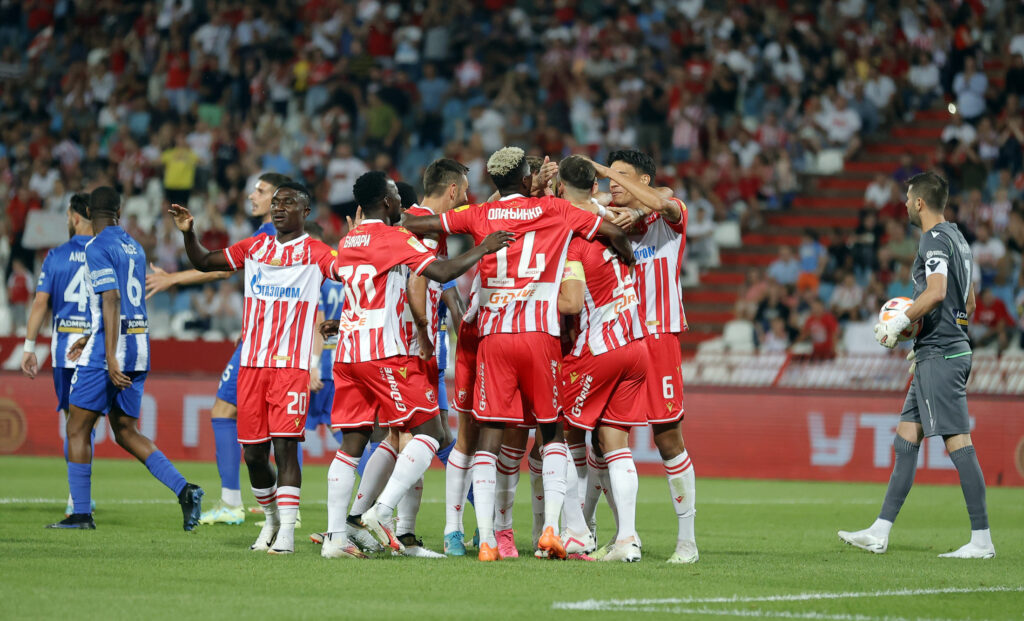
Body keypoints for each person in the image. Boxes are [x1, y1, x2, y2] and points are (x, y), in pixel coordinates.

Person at [404, 146, 633, 562]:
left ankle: (487, 539)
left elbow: (420, 222)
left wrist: (388, 227)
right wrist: (628, 256)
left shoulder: (480, 214)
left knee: (488, 438)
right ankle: (551, 530)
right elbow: (612, 232)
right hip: (539, 337)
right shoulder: (555, 210)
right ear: (528, 178)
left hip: (493, 339)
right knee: (551, 434)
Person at [321, 171, 512, 560]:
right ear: (386, 202)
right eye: (395, 195)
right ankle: (381, 514)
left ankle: (337, 536)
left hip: (347, 353)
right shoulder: (395, 237)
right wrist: (483, 248)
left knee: (354, 443)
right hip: (386, 352)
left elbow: (358, 286)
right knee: (430, 434)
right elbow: (438, 273)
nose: (402, 203)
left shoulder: (348, 240)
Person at [170, 181, 335, 554]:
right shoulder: (255, 246)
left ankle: (287, 533)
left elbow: (347, 272)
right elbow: (204, 261)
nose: (278, 207)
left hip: (290, 367)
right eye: (275, 202)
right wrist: (189, 233)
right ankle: (272, 521)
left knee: (285, 448)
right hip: (251, 365)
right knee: (254, 454)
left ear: (305, 212)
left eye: (288, 202)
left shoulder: (316, 252)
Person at [840, 172, 995, 559]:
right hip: (938, 351)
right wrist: (926, 337)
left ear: (921, 202)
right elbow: (969, 304)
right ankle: (880, 531)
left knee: (958, 443)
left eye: (909, 198)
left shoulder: (933, 239)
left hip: (941, 355)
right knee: (905, 440)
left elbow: (937, 292)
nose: (906, 204)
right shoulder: (959, 239)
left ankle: (982, 540)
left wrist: (900, 323)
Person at [49, 186, 203, 530]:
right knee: (125, 430)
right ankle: (185, 490)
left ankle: (80, 514)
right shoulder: (134, 246)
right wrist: (92, 335)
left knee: (76, 427)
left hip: (110, 352)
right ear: (119, 212)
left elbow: (113, 299)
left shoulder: (96, 246)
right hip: (139, 345)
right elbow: (129, 301)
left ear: (90, 213)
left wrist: (108, 355)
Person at [146, 172, 290, 526]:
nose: (252, 195)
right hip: (277, 340)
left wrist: (173, 278)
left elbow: (221, 269)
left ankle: (231, 502)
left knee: (225, 411)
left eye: (260, 190)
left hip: (259, 341)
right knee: (279, 426)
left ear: (277, 199)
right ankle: (285, 506)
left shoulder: (268, 235)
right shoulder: (282, 236)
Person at [597, 149, 698, 564]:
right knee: (606, 438)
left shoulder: (668, 220)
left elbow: (665, 197)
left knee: (667, 438)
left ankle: (687, 542)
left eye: (621, 175)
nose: (612, 182)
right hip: (616, 339)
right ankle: (624, 537)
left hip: (658, 337)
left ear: (642, 180)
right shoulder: (610, 220)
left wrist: (640, 208)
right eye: (608, 176)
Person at [556, 155, 648, 562]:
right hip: (635, 344)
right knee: (615, 444)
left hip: (598, 348)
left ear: (561, 188)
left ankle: (576, 532)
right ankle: (626, 538)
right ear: (595, 187)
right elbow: (661, 195)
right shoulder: (611, 215)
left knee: (560, 436)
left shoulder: (570, 236)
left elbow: (572, 303)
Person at [21, 194, 96, 517]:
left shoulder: (56, 255)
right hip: (96, 349)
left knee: (72, 422)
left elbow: (41, 302)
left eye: (67, 216)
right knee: (87, 425)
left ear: (75, 217)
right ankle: (78, 496)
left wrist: (29, 346)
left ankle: (75, 496)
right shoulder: (104, 253)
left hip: (65, 351)